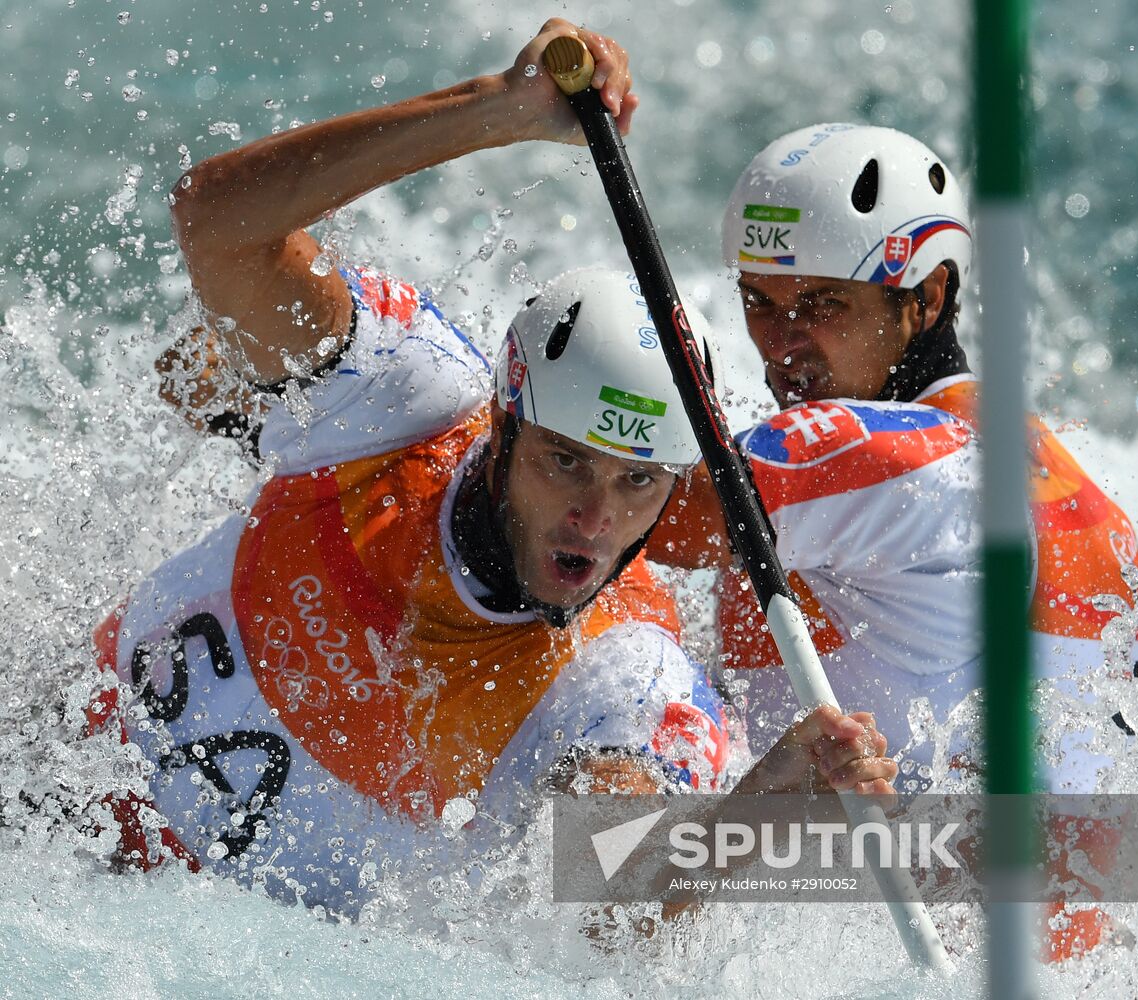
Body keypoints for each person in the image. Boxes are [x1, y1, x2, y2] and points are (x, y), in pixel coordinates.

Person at [86, 29, 896, 919]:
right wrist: (494, 111)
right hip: (56, 783)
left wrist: (764, 806)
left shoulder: (622, 671)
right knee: (207, 368)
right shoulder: (402, 397)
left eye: (638, 483)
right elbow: (215, 221)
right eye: (565, 463)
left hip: (176, 944)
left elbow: (616, 910)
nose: (593, 516)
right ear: (505, 423)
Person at [646, 123, 1138, 958]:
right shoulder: (1050, 472)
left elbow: (608, 515)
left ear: (927, 297)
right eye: (760, 304)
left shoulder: (887, 458)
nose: (780, 348)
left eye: (823, 306)